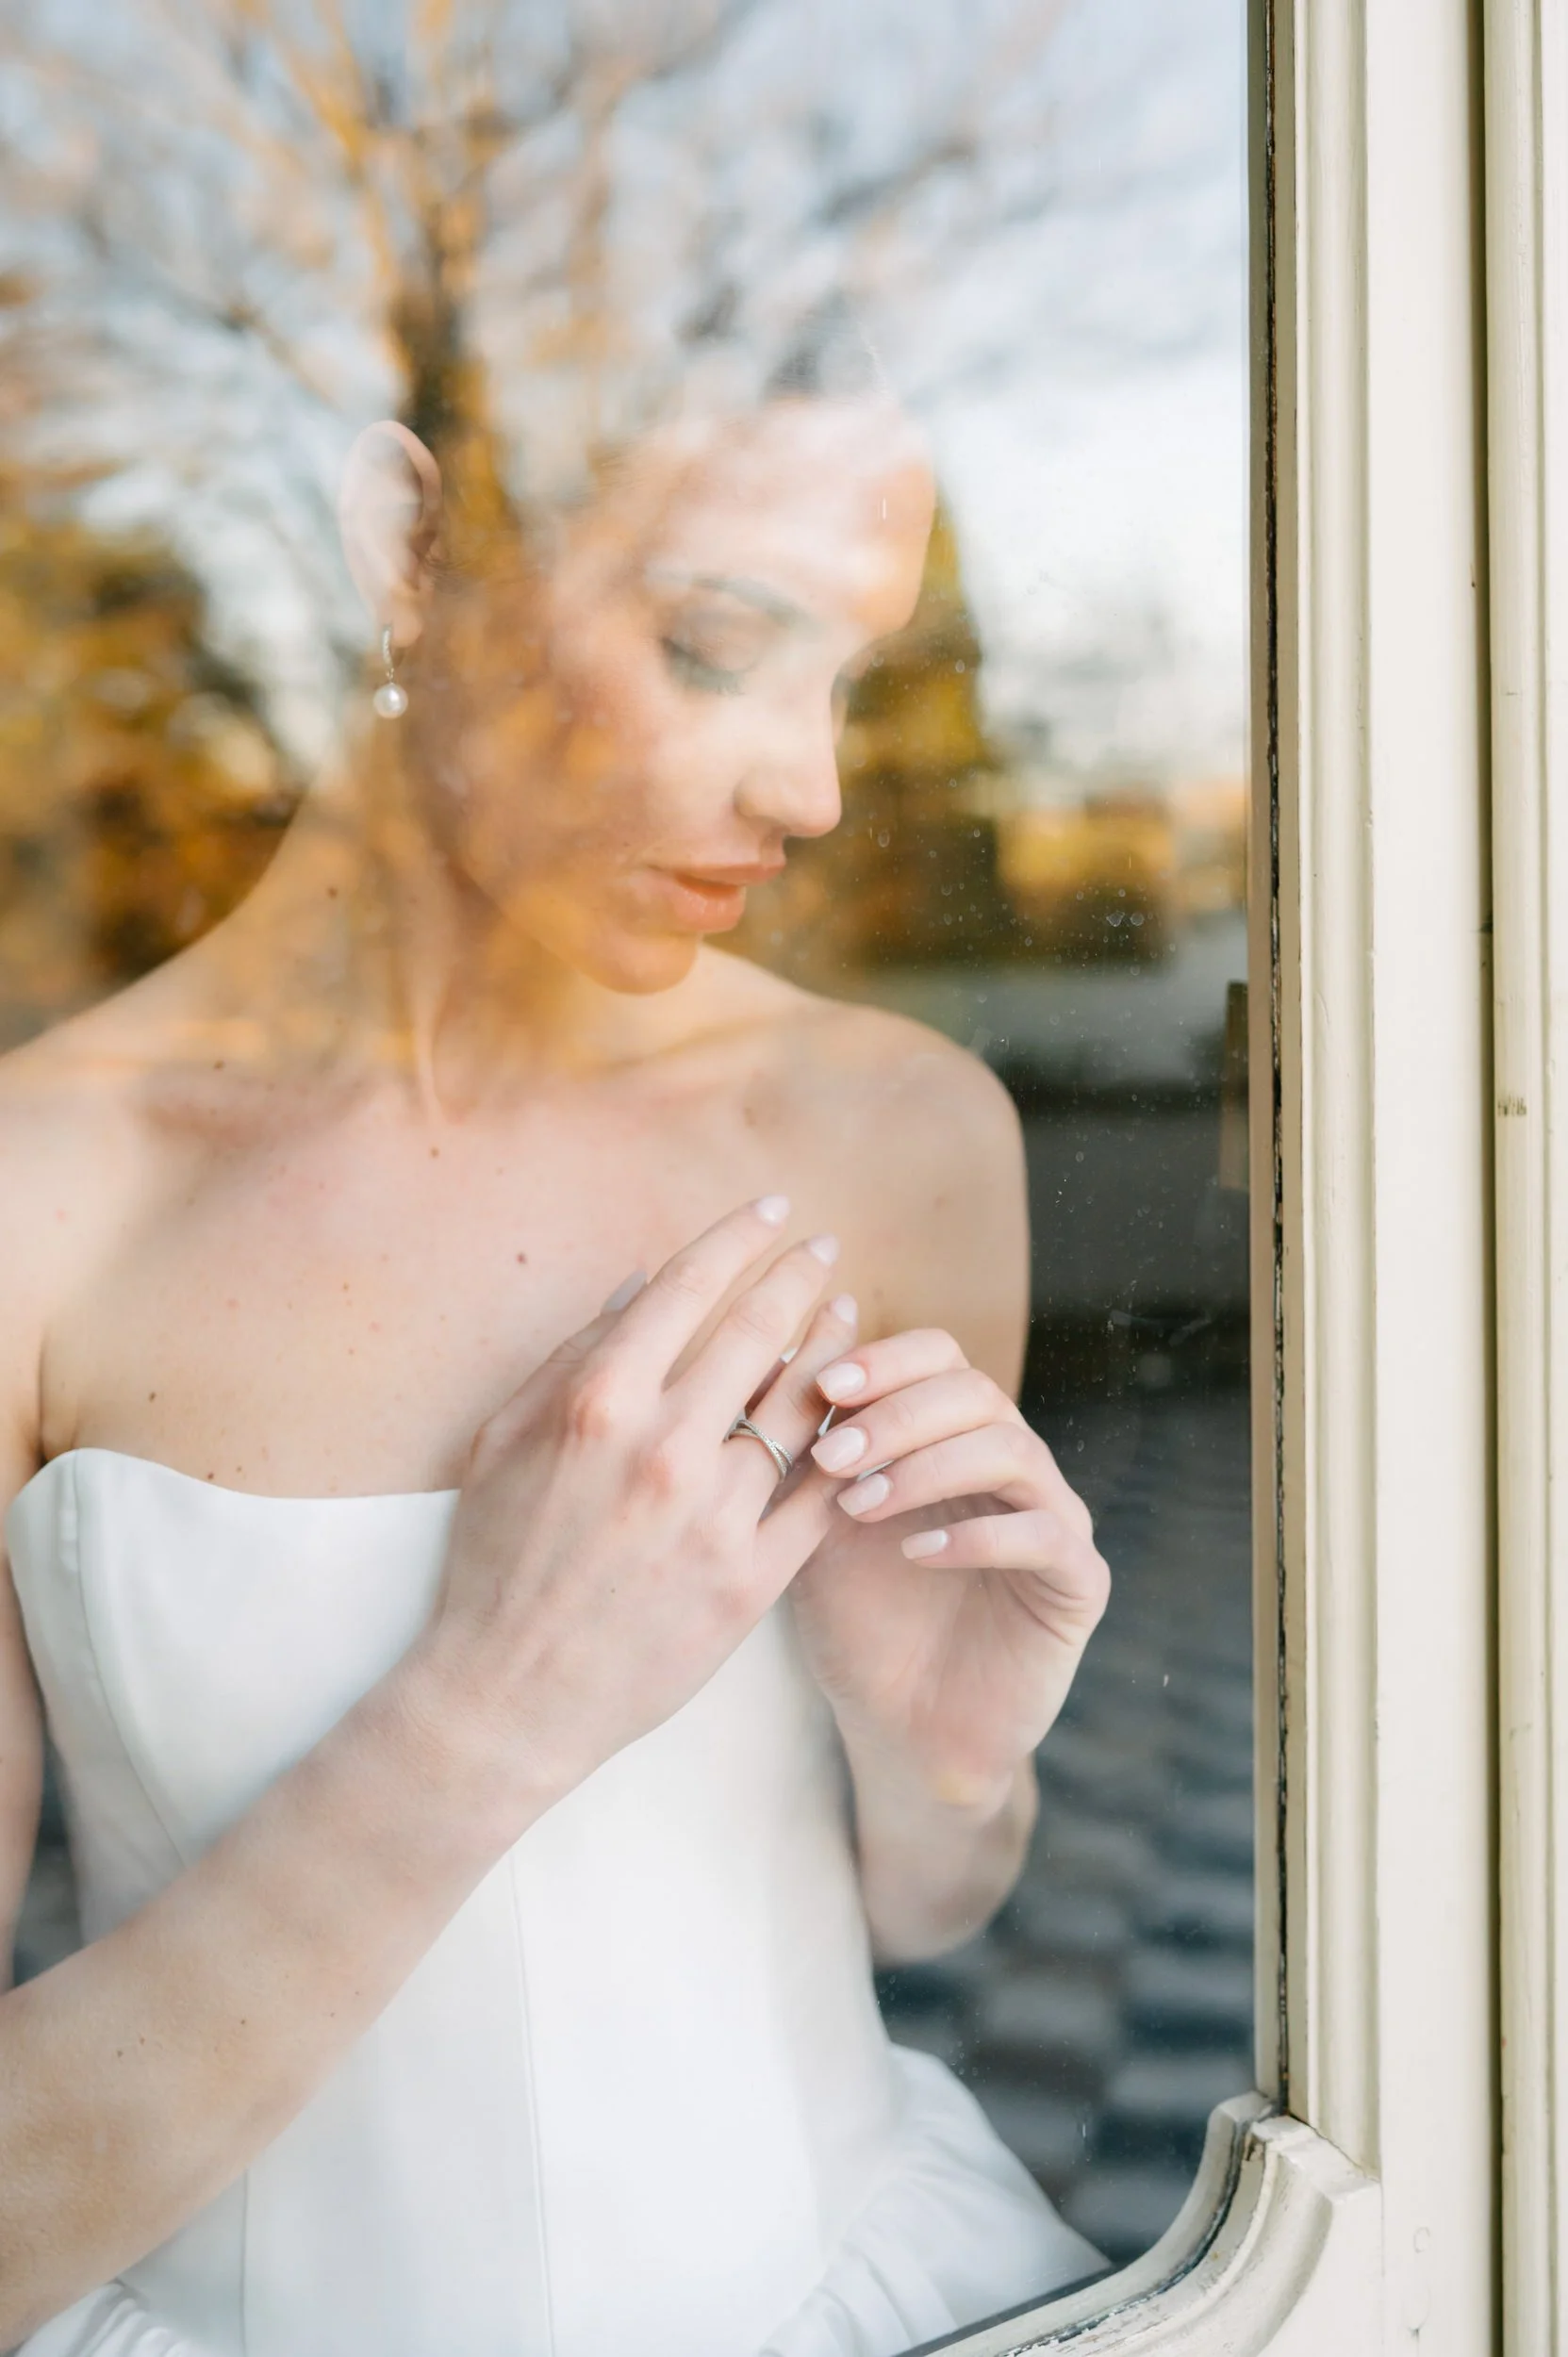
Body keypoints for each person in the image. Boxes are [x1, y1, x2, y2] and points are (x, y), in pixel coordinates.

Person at [0, 374, 1111, 2356]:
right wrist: (488, 1707)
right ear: (408, 550)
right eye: (713, 643)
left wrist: (943, 1753)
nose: (818, 791)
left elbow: (916, 1910)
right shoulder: (41, 1196)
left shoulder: (894, 1131)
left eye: (849, 673)